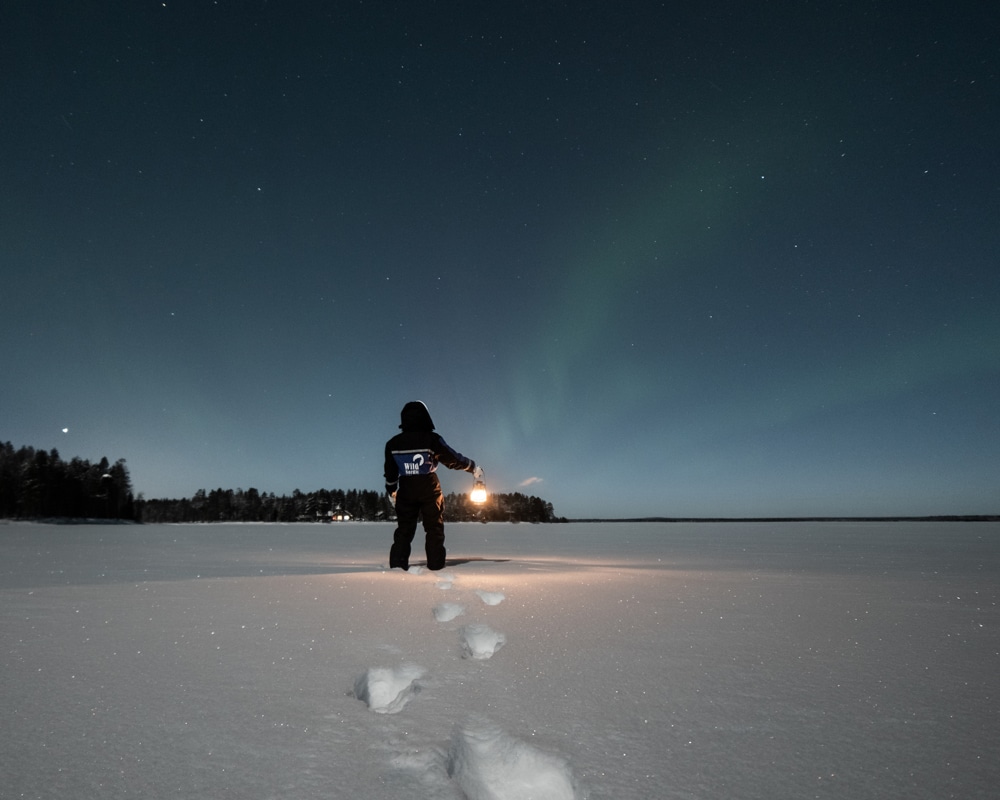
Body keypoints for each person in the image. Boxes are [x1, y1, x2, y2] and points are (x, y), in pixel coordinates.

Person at [384, 401, 477, 571]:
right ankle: (435, 566)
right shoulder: (432, 439)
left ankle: (397, 566)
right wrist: (471, 466)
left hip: (406, 488)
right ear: (426, 417)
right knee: (434, 528)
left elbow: (390, 474)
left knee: (404, 530)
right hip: (429, 486)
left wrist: (391, 491)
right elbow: (452, 459)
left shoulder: (393, 443)